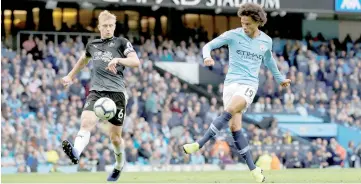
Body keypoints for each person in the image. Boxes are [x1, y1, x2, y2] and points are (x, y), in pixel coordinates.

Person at [182, 3, 291, 183]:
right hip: (230, 84)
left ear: (258, 22)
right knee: (234, 128)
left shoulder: (266, 41)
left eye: (248, 24)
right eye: (242, 23)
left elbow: (269, 61)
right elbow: (209, 45)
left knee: (231, 108)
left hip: (248, 85)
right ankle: (254, 170)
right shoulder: (234, 35)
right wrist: (207, 56)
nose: (245, 27)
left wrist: (279, 79)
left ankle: (199, 144)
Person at [61, 10, 140, 181]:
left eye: (111, 26)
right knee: (86, 122)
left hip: (117, 93)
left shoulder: (121, 43)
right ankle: (76, 151)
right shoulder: (93, 45)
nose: (108, 29)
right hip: (97, 92)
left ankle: (119, 165)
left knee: (115, 138)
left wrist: (118, 60)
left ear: (114, 26)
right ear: (99, 27)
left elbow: (136, 62)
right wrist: (70, 76)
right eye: (105, 26)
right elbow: (83, 60)